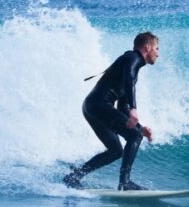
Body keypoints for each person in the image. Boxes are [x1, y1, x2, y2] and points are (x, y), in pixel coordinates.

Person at [63, 32, 159, 190]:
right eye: (156, 48)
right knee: (134, 136)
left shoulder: (131, 66)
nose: (158, 53)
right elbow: (128, 79)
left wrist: (140, 127)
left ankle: (73, 177)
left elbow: (123, 107)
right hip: (99, 105)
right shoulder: (131, 58)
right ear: (147, 47)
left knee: (116, 151)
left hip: (92, 107)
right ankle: (125, 182)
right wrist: (135, 110)